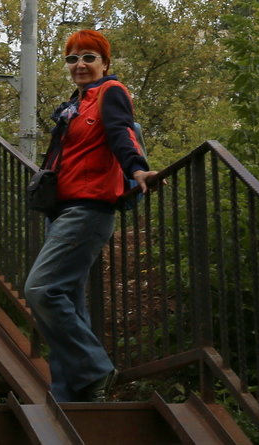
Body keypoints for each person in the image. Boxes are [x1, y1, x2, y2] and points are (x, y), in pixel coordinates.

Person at [23, 29, 159, 402]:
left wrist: (137, 169)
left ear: (104, 63)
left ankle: (98, 370)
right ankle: (74, 392)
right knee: (67, 299)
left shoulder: (110, 93)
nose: (80, 64)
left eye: (88, 57)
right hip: (62, 209)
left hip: (89, 207)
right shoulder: (76, 103)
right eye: (72, 58)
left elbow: (121, 132)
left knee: (40, 289)